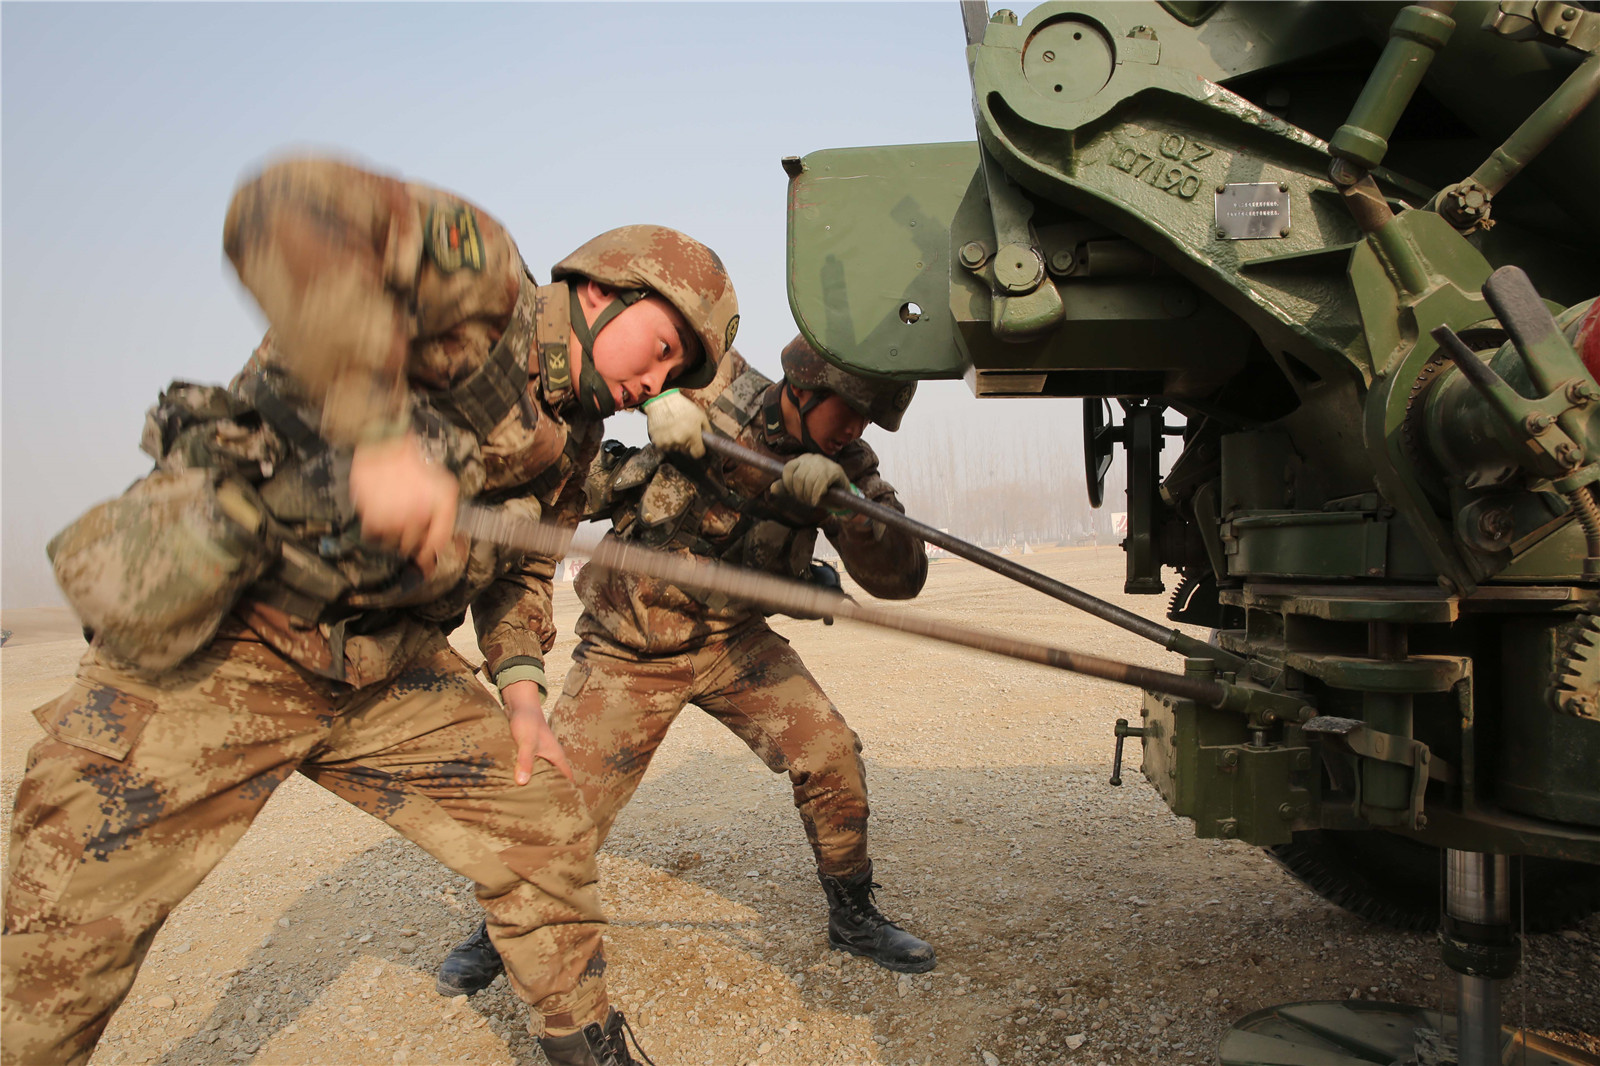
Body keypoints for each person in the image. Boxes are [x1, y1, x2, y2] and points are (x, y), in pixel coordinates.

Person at [1, 154, 738, 1066]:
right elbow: (283, 209)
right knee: (60, 951)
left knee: (544, 822)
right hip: (234, 642)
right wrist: (379, 435)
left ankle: (584, 1044)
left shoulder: (573, 445)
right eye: (661, 347)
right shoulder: (481, 282)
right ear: (600, 294)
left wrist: (517, 689)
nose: (655, 382)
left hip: (383, 670)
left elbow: (521, 576)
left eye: (677, 372)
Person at [435, 333, 933, 1000]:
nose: (854, 429)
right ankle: (506, 927)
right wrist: (662, 396)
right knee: (564, 802)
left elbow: (903, 578)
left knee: (831, 751)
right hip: (631, 643)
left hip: (733, 643)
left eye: (867, 421)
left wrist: (852, 516)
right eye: (848, 411)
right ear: (805, 387)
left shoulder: (848, 465)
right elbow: (615, 359)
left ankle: (854, 914)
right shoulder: (717, 385)